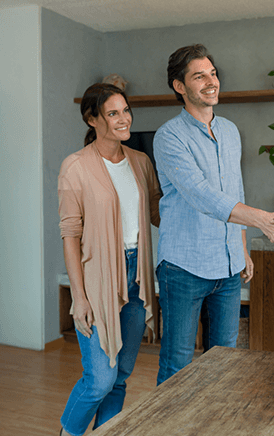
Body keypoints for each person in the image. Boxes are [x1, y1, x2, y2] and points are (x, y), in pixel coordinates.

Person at [154, 44, 274, 385]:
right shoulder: (169, 137)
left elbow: (235, 192)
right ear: (180, 86)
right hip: (184, 267)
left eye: (213, 73)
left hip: (229, 265)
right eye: (199, 76)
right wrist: (264, 219)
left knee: (225, 360)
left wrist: (243, 249)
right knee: (177, 365)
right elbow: (202, 196)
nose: (211, 82)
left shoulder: (231, 131)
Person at [58, 83, 162, 435]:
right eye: (113, 113)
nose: (124, 119)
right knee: (100, 379)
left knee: (121, 376)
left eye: (125, 111)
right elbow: (70, 234)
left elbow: (158, 213)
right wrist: (79, 296)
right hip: (98, 278)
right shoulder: (75, 166)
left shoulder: (140, 162)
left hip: (137, 275)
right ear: (92, 119)